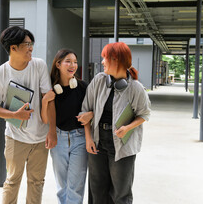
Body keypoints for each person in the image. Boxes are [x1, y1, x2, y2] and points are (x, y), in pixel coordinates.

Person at [0, 26, 57, 204]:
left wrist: (52, 131)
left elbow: (49, 99)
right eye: (26, 44)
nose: (31, 47)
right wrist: (14, 115)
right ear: (13, 48)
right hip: (15, 137)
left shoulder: (38, 65)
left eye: (31, 43)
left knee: (37, 182)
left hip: (40, 138)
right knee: (12, 181)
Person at [77, 42, 151, 204]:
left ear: (116, 60)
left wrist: (128, 127)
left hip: (123, 145)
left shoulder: (135, 88)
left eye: (105, 58)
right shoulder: (98, 81)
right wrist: (89, 139)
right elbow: (85, 110)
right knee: (97, 190)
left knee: (121, 193)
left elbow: (144, 114)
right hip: (97, 143)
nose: (102, 61)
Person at [42, 49, 92, 204]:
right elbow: (44, 119)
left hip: (80, 139)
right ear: (58, 64)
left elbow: (92, 111)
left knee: (76, 186)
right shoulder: (50, 88)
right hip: (58, 139)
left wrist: (90, 114)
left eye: (75, 62)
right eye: (68, 61)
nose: (73, 65)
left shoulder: (83, 87)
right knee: (62, 186)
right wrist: (45, 101)